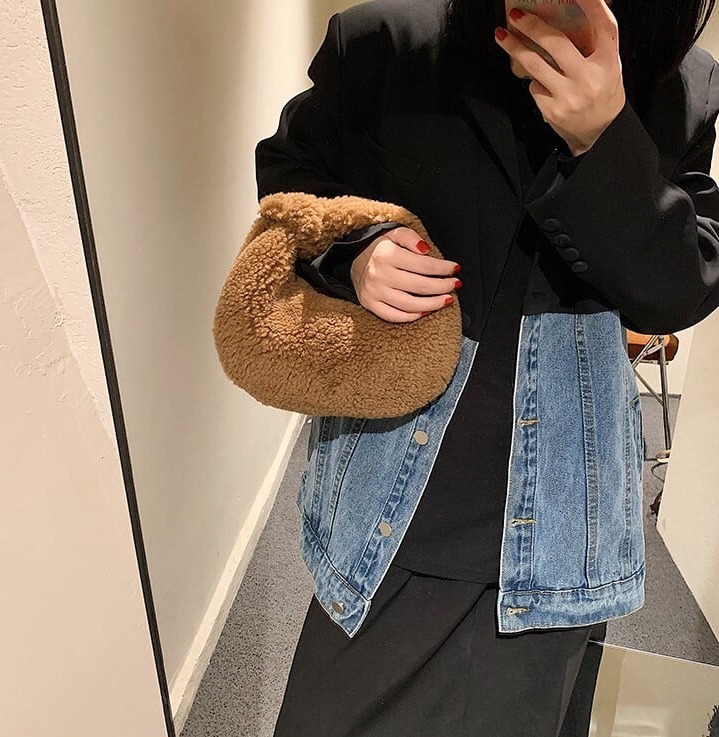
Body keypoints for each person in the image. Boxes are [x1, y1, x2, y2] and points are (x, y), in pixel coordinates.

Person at [250, 0, 719, 734]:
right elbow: (293, 175)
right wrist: (355, 249)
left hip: (565, 512)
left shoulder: (680, 84)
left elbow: (676, 288)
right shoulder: (386, 41)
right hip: (395, 495)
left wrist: (604, 140)